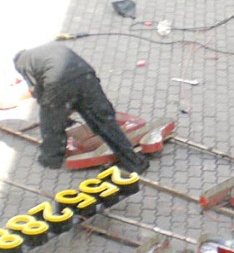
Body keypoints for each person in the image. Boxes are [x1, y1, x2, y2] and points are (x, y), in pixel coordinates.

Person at [12, 42, 150, 174]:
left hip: (58, 82)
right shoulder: (53, 47)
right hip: (85, 75)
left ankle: (51, 159)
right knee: (104, 121)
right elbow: (72, 81)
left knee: (49, 120)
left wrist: (60, 115)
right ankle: (134, 162)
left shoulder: (22, 64)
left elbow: (39, 92)